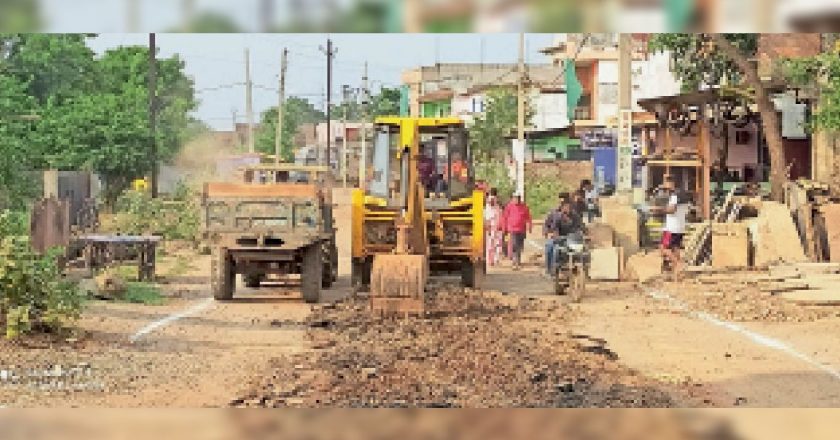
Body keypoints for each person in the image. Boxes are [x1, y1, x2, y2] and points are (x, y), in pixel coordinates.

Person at [651, 178, 690, 281]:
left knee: (663, 249)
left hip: (671, 227)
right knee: (676, 248)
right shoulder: (684, 195)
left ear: (672, 184)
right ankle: (676, 274)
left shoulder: (674, 196)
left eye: (667, 187)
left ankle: (679, 265)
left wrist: (658, 209)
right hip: (680, 226)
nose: (666, 190)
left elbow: (672, 210)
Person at [543, 193, 584, 277]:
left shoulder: (575, 216)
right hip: (559, 238)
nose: (566, 208)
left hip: (572, 239)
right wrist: (552, 234)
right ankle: (551, 269)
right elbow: (553, 227)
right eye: (564, 206)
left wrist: (583, 232)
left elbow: (581, 226)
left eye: (568, 206)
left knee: (584, 251)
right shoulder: (556, 215)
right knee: (551, 248)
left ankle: (583, 267)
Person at [501, 193, 532, 270]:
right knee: (514, 245)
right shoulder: (509, 207)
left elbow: (528, 217)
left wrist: (530, 227)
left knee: (520, 246)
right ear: (512, 199)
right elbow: (505, 217)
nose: (516, 200)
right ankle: (515, 262)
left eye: (517, 198)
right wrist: (504, 229)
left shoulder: (524, 207)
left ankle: (518, 260)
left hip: (521, 229)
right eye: (514, 198)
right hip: (512, 229)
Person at [484, 188, 503, 267]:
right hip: (491, 226)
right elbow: (487, 219)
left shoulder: (497, 207)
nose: (493, 200)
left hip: (497, 226)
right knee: (490, 244)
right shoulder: (489, 207)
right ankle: (490, 260)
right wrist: (488, 227)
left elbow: (500, 217)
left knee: (497, 243)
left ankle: (495, 259)